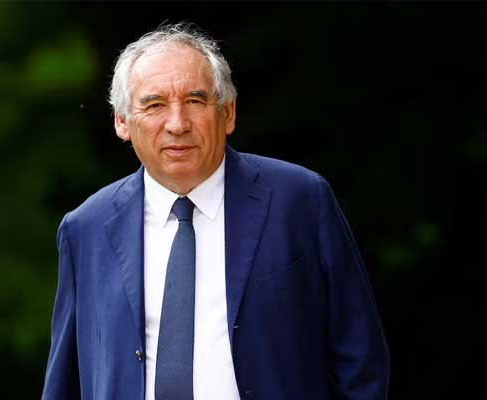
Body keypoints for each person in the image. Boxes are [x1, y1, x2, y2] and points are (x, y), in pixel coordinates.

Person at [41, 23, 389, 400]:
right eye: (155, 105)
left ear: (228, 112)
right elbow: (65, 382)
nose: (177, 124)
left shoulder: (300, 201)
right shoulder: (85, 229)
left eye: (195, 101)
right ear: (122, 121)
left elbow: (361, 361)